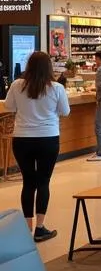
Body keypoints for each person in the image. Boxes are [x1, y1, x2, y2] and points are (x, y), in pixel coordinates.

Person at [3, 51, 70, 242]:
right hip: (48, 138)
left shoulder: (17, 85)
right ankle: (40, 228)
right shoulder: (56, 88)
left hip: (22, 139)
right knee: (43, 182)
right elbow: (65, 111)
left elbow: (9, 106)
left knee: (28, 182)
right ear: (49, 67)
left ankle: (27, 228)